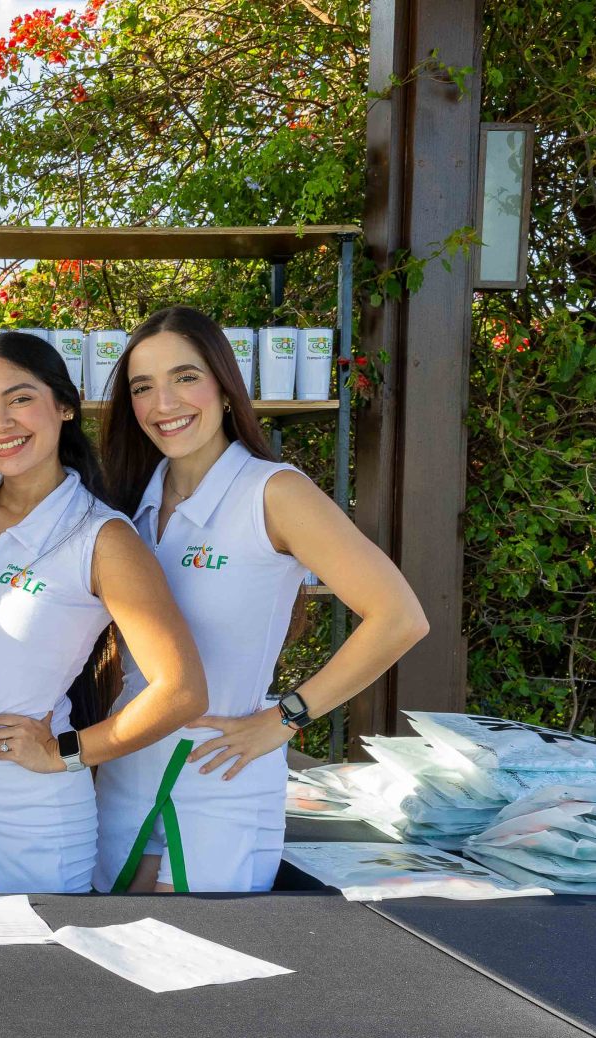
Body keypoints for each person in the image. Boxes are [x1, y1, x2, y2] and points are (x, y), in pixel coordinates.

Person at [93, 307, 427, 892]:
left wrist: (286, 718)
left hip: (223, 776)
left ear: (226, 387)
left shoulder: (273, 492)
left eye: (185, 377)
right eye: (143, 387)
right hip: (127, 773)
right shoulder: (129, 504)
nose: (164, 403)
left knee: (198, 947)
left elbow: (399, 617)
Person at [0, 332, 206, 895]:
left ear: (65, 406)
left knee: (29, 956)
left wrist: (64, 752)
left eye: (19, 399)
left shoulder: (102, 537)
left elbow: (182, 690)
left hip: (30, 811)